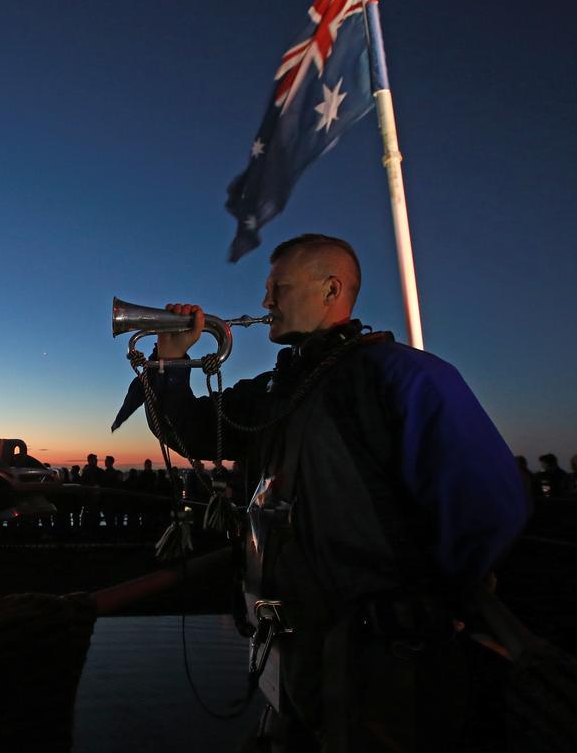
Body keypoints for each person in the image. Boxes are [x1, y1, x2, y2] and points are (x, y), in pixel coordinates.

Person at [113, 233, 528, 751]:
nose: (265, 303)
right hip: (296, 651)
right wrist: (172, 362)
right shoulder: (277, 388)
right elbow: (196, 432)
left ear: (331, 290)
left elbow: (488, 504)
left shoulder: (401, 375)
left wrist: (427, 603)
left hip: (382, 664)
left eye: (278, 288)